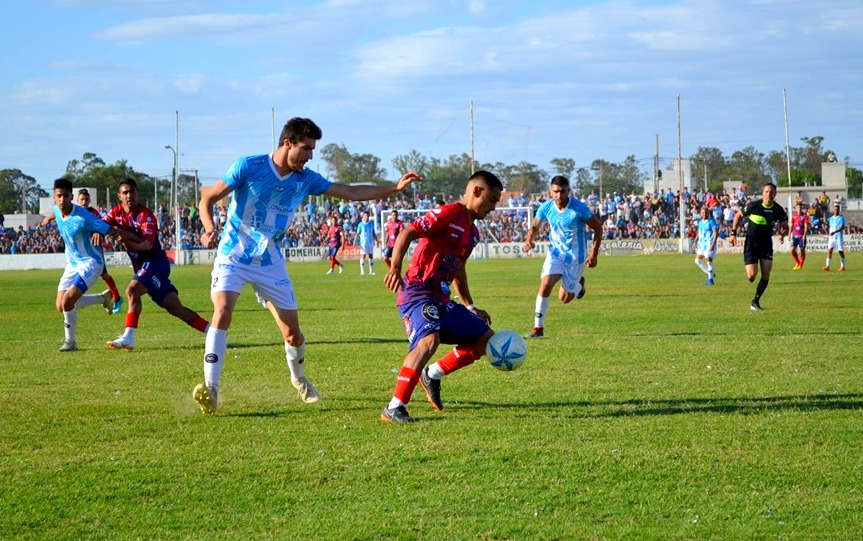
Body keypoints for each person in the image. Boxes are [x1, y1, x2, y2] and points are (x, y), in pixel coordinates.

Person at [193, 117, 422, 415]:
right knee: (222, 310)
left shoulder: (306, 179)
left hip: (270, 261)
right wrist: (209, 226)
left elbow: (350, 192)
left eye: (313, 150)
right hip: (233, 254)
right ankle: (211, 389)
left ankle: (299, 379)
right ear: (287, 143)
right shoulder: (248, 166)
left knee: (293, 335)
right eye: (306, 148)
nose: (310, 155)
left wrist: (394, 188)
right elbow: (207, 197)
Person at [381, 170, 502, 423]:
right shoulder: (448, 214)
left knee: (485, 340)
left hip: (443, 299)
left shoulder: (474, 233)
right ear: (476, 191)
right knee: (428, 340)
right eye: (491, 200)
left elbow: (459, 269)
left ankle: (433, 374)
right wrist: (395, 268)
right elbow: (407, 233)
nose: (493, 207)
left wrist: (470, 305)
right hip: (417, 293)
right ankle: (395, 407)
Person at [102, 177, 210, 350]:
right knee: (175, 308)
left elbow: (146, 245)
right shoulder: (116, 213)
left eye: (132, 192)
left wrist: (127, 236)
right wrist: (97, 231)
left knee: (132, 290)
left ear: (138, 194)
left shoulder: (146, 215)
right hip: (144, 268)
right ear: (119, 196)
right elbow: (101, 225)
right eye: (125, 192)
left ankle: (128, 337)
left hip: (155, 263)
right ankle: (214, 332)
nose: (129, 195)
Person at [49, 179, 134, 352]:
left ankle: (71, 343)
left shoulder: (83, 217)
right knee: (61, 305)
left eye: (66, 195)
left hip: (91, 263)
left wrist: (114, 234)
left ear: (72, 197)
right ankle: (104, 298)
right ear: (54, 197)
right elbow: (54, 213)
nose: (63, 199)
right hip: (72, 263)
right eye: (59, 196)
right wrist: (47, 219)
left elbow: (107, 227)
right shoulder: (57, 210)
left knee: (67, 302)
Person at [522, 175, 602, 338]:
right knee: (545, 284)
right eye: (556, 192)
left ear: (568, 191)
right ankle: (538, 328)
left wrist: (593, 254)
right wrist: (529, 240)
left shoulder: (579, 209)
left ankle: (579, 285)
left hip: (575, 258)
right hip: (555, 253)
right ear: (550, 192)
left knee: (564, 298)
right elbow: (535, 226)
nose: (559, 195)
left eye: (563, 191)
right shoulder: (546, 207)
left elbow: (598, 228)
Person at [41, 188, 124, 313]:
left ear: (89, 200)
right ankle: (104, 298)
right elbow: (57, 211)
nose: (84, 202)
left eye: (86, 200)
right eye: (82, 200)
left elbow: (101, 223)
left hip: (93, 253)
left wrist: (98, 231)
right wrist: (49, 217)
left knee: (104, 275)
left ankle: (117, 297)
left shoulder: (91, 213)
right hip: (76, 259)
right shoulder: (71, 212)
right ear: (77, 200)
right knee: (64, 302)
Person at [729, 182, 788, 311]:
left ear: (775, 194)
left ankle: (755, 301)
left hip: (766, 245)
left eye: (771, 192)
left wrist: (784, 233)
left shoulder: (778, 209)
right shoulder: (754, 206)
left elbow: (785, 226)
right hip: (751, 245)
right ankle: (751, 275)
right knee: (751, 276)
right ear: (763, 193)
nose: (769, 194)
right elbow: (738, 215)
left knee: (766, 274)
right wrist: (733, 233)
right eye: (766, 191)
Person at [694, 205, 719, 285]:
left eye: (705, 212)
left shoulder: (711, 221)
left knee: (708, 260)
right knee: (697, 261)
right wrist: (695, 242)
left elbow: (715, 232)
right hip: (702, 245)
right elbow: (699, 233)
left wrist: (713, 243)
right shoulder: (700, 222)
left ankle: (710, 279)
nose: (704, 214)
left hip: (709, 244)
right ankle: (711, 273)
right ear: (700, 214)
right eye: (702, 213)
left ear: (708, 213)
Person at [824, 203, 846, 271]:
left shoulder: (841, 218)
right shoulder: (830, 219)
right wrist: (826, 228)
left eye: (837, 209)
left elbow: (842, 227)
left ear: (839, 210)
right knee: (829, 250)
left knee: (840, 251)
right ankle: (827, 266)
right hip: (831, 237)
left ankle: (842, 266)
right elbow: (829, 226)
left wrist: (835, 232)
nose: (836, 210)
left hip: (838, 237)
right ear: (833, 210)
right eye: (835, 209)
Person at [790, 202, 810, 270]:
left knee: (802, 250)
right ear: (795, 208)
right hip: (795, 236)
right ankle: (798, 262)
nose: (799, 209)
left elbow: (806, 225)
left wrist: (804, 235)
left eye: (800, 207)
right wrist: (789, 234)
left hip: (801, 236)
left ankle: (800, 265)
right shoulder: (793, 216)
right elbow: (792, 225)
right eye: (798, 207)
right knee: (792, 250)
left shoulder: (804, 216)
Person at [356, 211, 377, 275]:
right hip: (363, 243)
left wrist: (377, 241)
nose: (366, 217)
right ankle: (362, 271)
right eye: (365, 216)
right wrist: (354, 241)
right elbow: (357, 233)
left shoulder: (371, 223)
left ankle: (371, 271)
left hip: (370, 242)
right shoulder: (360, 224)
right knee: (363, 256)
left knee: (371, 256)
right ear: (363, 216)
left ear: (369, 216)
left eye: (367, 216)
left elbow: (373, 233)